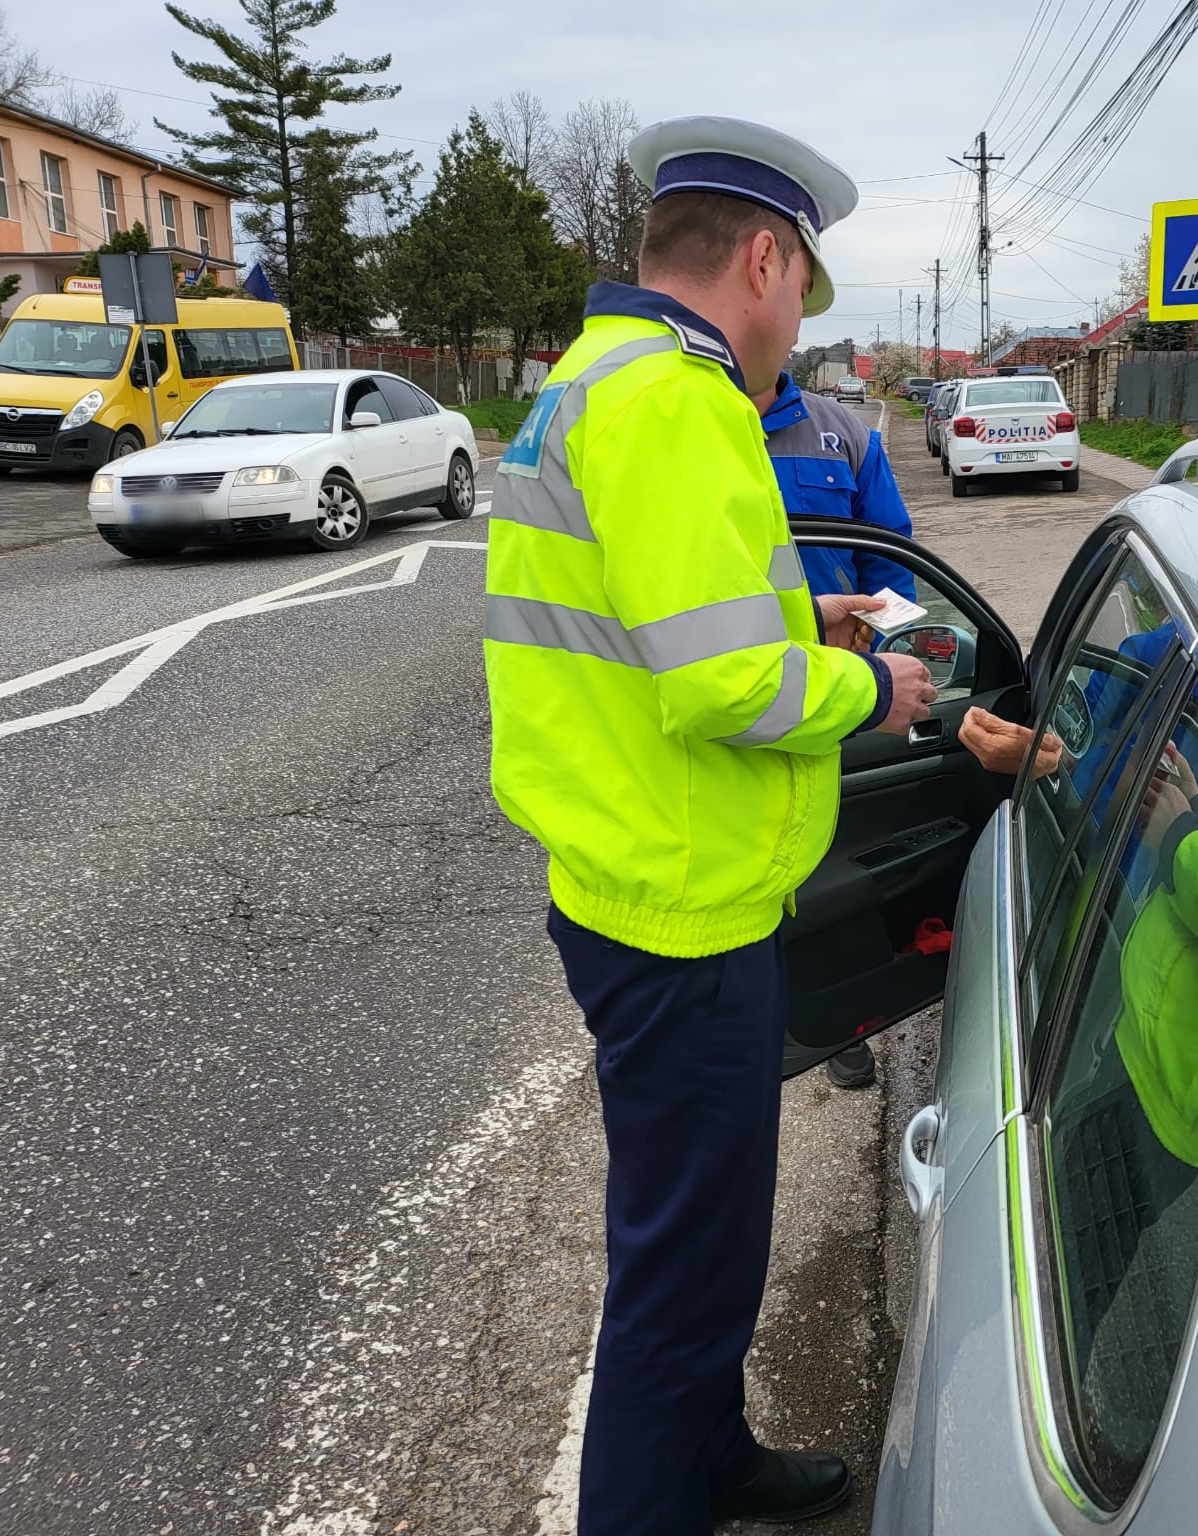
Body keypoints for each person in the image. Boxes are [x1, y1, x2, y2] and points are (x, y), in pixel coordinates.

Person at [482, 115, 937, 1536]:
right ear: (761, 256)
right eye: (803, 286)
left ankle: (709, 1454)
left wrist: (818, 611)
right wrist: (876, 685)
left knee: (705, 1248)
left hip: (631, 876)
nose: (796, 321)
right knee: (681, 1274)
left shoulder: (586, 382)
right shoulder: (681, 403)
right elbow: (722, 681)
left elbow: (666, 617)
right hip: (678, 907)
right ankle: (651, 1500)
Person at [753, 370, 917, 1090]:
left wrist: (880, 669)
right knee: (753, 862)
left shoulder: (843, 435)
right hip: (742, 693)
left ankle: (839, 1021)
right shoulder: (692, 430)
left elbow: (889, 557)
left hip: (840, 693)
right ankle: (759, 1011)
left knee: (841, 865)